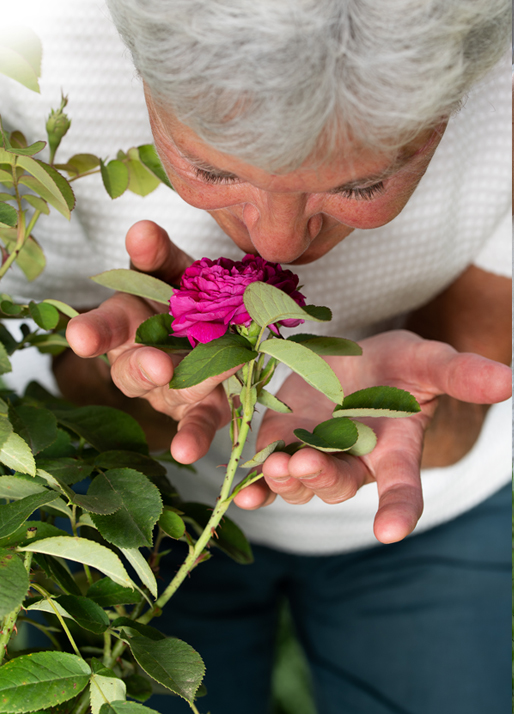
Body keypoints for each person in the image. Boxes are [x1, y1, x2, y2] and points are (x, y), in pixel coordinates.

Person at [1, 2, 511, 712]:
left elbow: (461, 412)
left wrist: (403, 411)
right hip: (132, 507)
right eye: (210, 167)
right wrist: (122, 378)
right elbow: (41, 392)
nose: (275, 247)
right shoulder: (25, 45)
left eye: (360, 185)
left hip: (439, 502)